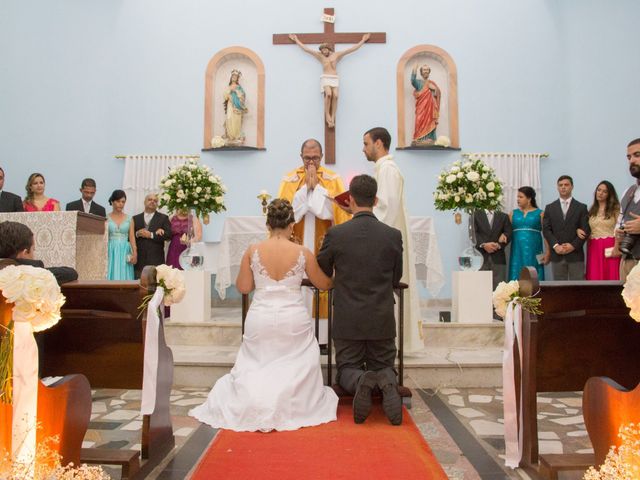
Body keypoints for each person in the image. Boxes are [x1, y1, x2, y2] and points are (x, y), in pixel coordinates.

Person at [189, 199, 338, 431]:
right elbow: (323, 284)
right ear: (291, 225)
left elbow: (244, 287)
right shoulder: (302, 252)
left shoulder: (253, 250)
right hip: (293, 319)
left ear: (268, 225)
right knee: (293, 362)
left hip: (260, 317)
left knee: (258, 363)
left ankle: (255, 402)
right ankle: (289, 403)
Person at [318, 175, 403, 425]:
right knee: (384, 362)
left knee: (346, 367)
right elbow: (396, 277)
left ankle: (359, 381)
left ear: (351, 199)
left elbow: (322, 268)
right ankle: (386, 379)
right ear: (376, 200)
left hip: (348, 318)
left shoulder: (336, 234)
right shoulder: (392, 235)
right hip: (381, 318)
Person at [277, 139, 351, 345]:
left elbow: (337, 212)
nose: (311, 162)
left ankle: (322, 339)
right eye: (307, 158)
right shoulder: (290, 179)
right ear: (301, 156)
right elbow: (285, 213)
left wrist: (317, 191)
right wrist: (305, 193)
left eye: (315, 158)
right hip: (296, 242)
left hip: (323, 242)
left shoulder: (332, 179)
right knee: (298, 284)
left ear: (322, 157)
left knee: (321, 284)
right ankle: (296, 336)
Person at [361, 127, 423, 353]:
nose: (363, 149)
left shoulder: (387, 170)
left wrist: (361, 217)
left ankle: (391, 343)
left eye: (366, 144)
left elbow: (386, 207)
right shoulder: (383, 169)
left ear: (378, 144)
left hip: (384, 242)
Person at [289, 33, 370, 128]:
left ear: (328, 49)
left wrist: (363, 40)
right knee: (328, 94)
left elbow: (351, 49)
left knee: (335, 96)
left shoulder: (337, 55)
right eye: (322, 51)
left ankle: (333, 116)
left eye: (325, 50)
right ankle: (327, 114)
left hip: (334, 78)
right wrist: (296, 40)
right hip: (325, 77)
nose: (324, 52)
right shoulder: (320, 56)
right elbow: (306, 49)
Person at [542, 175, 590, 280]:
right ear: (557, 187)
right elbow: (546, 230)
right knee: (559, 290)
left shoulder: (581, 207)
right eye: (560, 185)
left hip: (575, 255)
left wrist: (572, 246)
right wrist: (555, 246)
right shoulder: (550, 208)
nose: (563, 187)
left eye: (566, 185)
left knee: (578, 288)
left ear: (572, 187)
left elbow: (586, 230)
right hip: (557, 254)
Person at [0, 221, 78, 284]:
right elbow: (71, 273)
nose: (33, 254)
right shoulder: (34, 274)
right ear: (24, 253)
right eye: (33, 250)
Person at [579, 181, 621, 280]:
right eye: (599, 190)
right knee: (595, 276)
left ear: (609, 194)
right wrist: (578, 230)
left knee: (611, 275)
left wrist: (617, 247)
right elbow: (586, 228)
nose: (600, 193)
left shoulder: (615, 209)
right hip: (593, 247)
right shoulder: (591, 209)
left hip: (610, 246)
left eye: (605, 191)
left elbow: (620, 228)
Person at [508, 187, 550, 281]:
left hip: (535, 251)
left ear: (529, 199)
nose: (518, 199)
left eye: (521, 197)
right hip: (516, 251)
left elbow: (546, 235)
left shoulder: (540, 213)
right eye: (517, 197)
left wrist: (548, 252)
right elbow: (506, 232)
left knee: (534, 273)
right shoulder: (512, 213)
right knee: (516, 271)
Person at [615, 138, 640, 280]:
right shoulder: (628, 192)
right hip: (628, 262)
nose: (632, 161)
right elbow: (620, 220)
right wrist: (619, 232)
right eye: (629, 157)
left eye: (637, 155)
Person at [132, 193, 171, 279]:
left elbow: (169, 236)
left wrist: (152, 235)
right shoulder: (135, 218)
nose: (152, 202)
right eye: (150, 199)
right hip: (139, 261)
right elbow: (129, 237)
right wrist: (137, 234)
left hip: (156, 260)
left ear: (157, 204)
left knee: (156, 288)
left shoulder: (163, 218)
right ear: (144, 202)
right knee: (138, 287)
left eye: (155, 201)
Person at [474, 209, 512, 290]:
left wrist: (498, 245)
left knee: (499, 289)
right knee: (481, 288)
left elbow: (509, 233)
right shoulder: (475, 215)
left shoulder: (504, 216)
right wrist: (484, 245)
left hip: (498, 258)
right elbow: (473, 233)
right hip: (481, 258)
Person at [107, 190, 136, 280]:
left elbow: (131, 237)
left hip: (125, 250)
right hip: (111, 249)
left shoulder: (129, 218)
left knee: (125, 274)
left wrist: (135, 253)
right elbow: (104, 237)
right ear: (112, 201)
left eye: (123, 202)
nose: (121, 204)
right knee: (111, 272)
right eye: (118, 201)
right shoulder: (106, 218)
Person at [411, 63, 441, 145]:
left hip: (430, 108)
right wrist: (414, 69)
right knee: (419, 120)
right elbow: (412, 81)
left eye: (427, 70)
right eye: (424, 70)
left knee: (430, 121)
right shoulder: (418, 82)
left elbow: (437, 94)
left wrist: (435, 89)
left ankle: (430, 139)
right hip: (421, 107)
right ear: (421, 72)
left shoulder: (432, 83)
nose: (426, 71)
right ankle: (419, 139)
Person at [222, 69, 248, 145]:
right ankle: (230, 137)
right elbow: (225, 96)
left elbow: (243, 96)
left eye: (235, 77)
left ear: (237, 79)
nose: (234, 78)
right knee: (229, 119)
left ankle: (236, 137)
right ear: (231, 77)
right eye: (233, 76)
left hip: (237, 107)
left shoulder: (239, 87)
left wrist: (236, 91)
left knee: (236, 121)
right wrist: (230, 91)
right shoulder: (229, 86)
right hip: (230, 105)